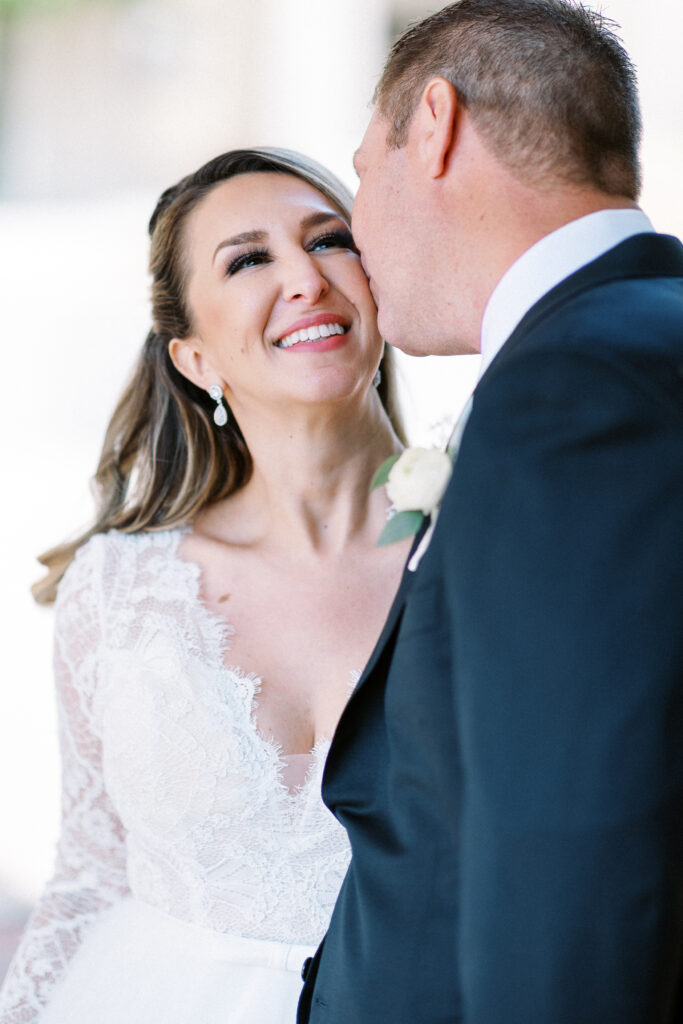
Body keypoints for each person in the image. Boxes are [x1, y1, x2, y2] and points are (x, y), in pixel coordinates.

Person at [299, 2, 683, 1022]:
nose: (357, 232)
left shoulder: (573, 388)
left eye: (361, 174)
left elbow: (574, 842)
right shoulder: (633, 341)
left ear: (433, 124)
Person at [0, 147, 411, 1024]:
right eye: (250, 258)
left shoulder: (494, 541)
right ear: (192, 358)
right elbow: (89, 873)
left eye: (330, 240)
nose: (304, 277)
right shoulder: (120, 590)